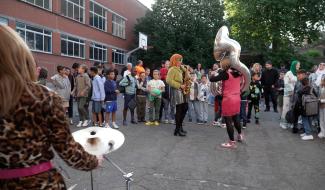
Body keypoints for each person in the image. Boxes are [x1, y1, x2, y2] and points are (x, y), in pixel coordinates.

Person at [0, 25, 100, 189]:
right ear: (21, 57)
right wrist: (93, 161)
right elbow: (68, 150)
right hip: (40, 183)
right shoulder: (42, 97)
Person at [210, 66, 243, 148]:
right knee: (236, 118)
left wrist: (213, 74)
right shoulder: (239, 73)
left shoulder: (226, 74)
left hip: (228, 99)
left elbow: (212, 79)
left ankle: (232, 143)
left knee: (228, 121)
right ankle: (240, 135)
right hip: (237, 98)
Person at [166, 54, 188, 137]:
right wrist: (179, 85)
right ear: (175, 60)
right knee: (179, 110)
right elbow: (168, 80)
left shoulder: (181, 68)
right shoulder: (172, 69)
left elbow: (186, 77)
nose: (181, 61)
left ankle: (179, 127)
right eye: (179, 60)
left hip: (182, 90)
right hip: (176, 90)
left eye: (181, 60)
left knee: (185, 108)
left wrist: (185, 70)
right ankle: (177, 129)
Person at [280, 60, 300, 129]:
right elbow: (286, 83)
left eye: (299, 65)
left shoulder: (297, 73)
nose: (299, 66)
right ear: (294, 65)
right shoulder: (289, 73)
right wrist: (291, 90)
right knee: (286, 108)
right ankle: (283, 123)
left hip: (294, 95)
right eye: (297, 65)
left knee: (292, 109)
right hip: (288, 94)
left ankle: (290, 122)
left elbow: (297, 83)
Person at [291, 69, 307, 133]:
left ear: (303, 75)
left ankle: (304, 129)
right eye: (297, 74)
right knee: (295, 115)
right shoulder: (297, 82)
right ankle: (295, 127)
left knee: (304, 116)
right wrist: (292, 101)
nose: (297, 76)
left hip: (303, 102)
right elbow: (294, 92)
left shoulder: (307, 82)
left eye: (299, 75)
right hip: (296, 102)